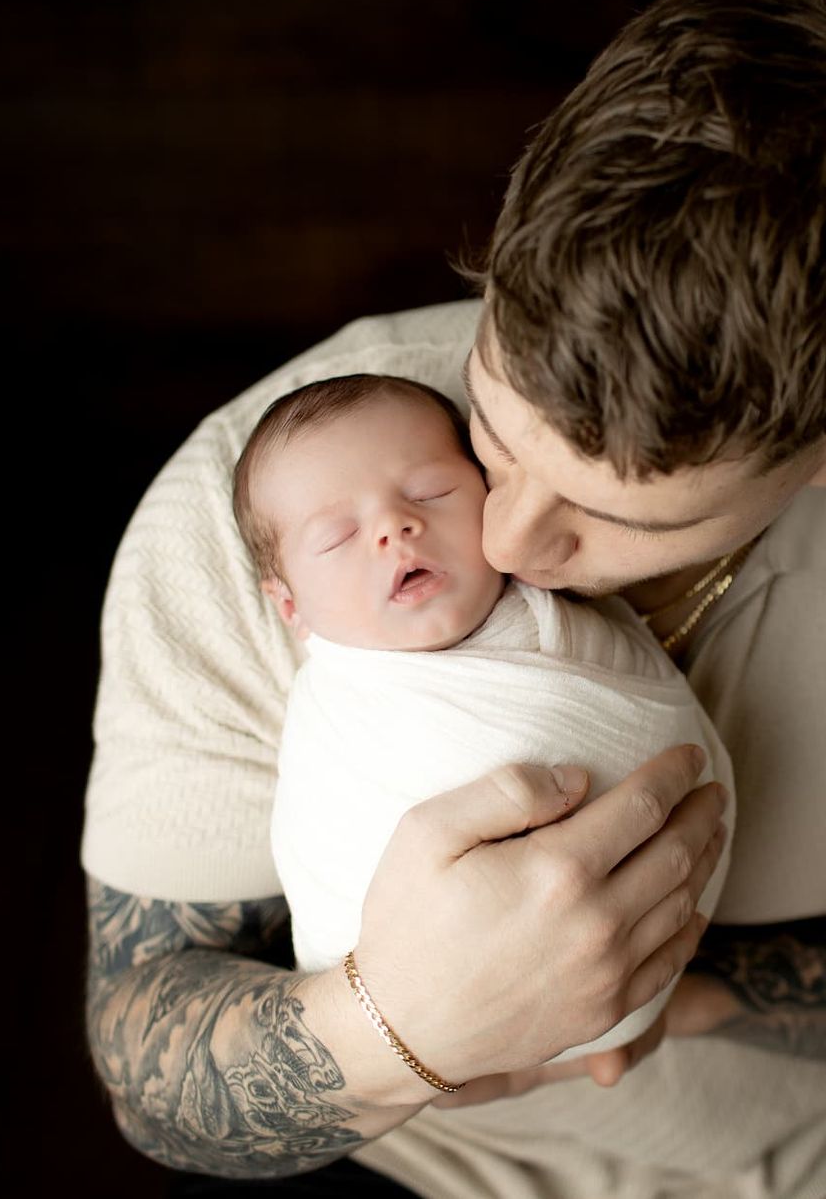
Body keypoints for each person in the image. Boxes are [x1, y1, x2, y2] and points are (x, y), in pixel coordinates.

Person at [82, 0, 826, 1199]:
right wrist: (398, 1026)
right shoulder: (270, 511)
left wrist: (648, 992)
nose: (509, 540)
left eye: (611, 513)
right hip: (418, 1160)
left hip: (823, 1156)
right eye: (499, 434)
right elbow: (148, 1070)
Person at [230, 371, 735, 1065]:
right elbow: (335, 875)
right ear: (289, 606)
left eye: (431, 493)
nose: (393, 527)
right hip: (425, 1030)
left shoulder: (552, 597)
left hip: (657, 941)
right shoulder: (345, 718)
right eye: (339, 535)